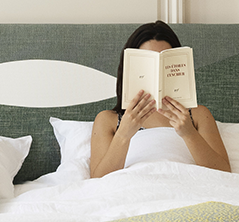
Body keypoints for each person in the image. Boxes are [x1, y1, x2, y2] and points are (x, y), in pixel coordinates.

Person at [89, 21, 231, 179]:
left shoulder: (197, 115)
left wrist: (189, 134)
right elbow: (98, 181)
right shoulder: (108, 120)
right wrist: (124, 134)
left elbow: (224, 174)